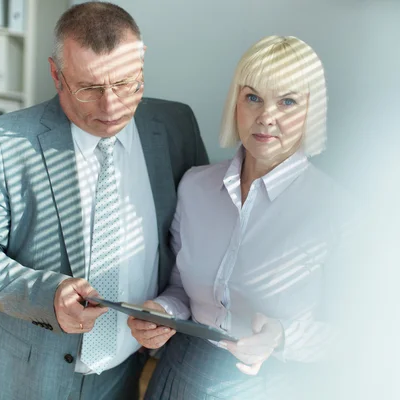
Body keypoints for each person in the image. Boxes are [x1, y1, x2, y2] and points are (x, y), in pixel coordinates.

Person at [0, 3, 208, 400]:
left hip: (124, 369)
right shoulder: (5, 140)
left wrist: (170, 309)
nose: (111, 108)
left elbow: (193, 245)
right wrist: (47, 294)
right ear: (57, 74)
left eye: (126, 84)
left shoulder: (176, 125)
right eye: (89, 88)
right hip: (28, 373)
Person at [128, 35, 353, 399]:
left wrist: (281, 338)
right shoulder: (195, 186)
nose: (267, 117)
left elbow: (359, 337)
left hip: (273, 383)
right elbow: (181, 289)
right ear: (236, 103)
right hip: (180, 370)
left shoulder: (337, 211)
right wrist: (161, 311)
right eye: (253, 98)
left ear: (312, 111)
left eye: (288, 102)